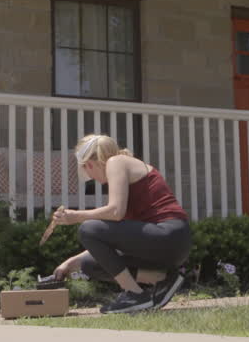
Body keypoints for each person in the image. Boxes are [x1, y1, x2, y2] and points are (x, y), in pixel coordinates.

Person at [50, 134, 191, 314]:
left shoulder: (116, 162)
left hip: (169, 235)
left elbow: (115, 212)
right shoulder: (123, 171)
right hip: (167, 243)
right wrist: (68, 264)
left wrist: (76, 216)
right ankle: (163, 279)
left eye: (86, 170)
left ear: (89, 164)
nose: (89, 176)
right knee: (89, 264)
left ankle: (135, 295)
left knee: (88, 227)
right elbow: (108, 236)